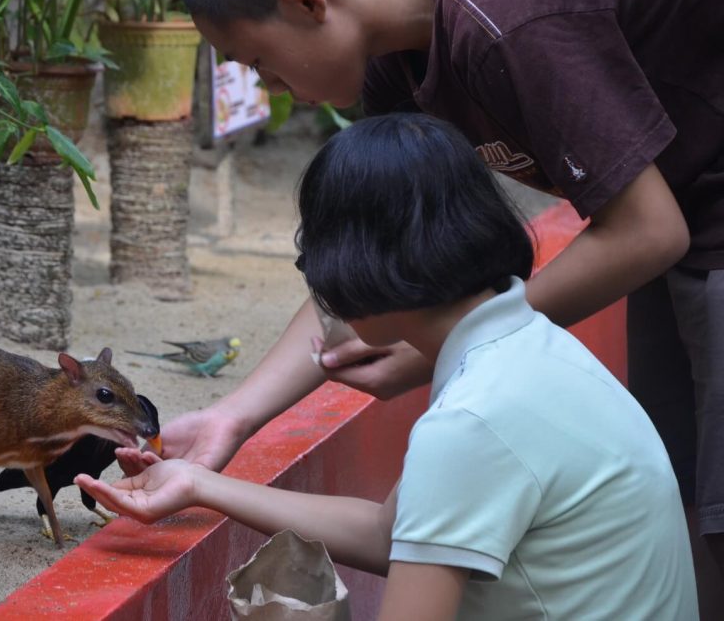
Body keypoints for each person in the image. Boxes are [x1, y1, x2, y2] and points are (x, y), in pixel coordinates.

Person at [147, 0, 724, 613]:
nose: (274, 88)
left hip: (686, 210)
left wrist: (441, 340)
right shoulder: (399, 50)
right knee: (690, 493)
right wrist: (230, 418)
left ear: (303, 1)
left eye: (259, 63)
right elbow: (367, 243)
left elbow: (647, 231)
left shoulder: (508, 17)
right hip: (680, 191)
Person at [78, 114, 697, 619]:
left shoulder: (474, 419)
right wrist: (200, 485)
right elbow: (388, 533)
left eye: (313, 260)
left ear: (359, 269)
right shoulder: (531, 351)